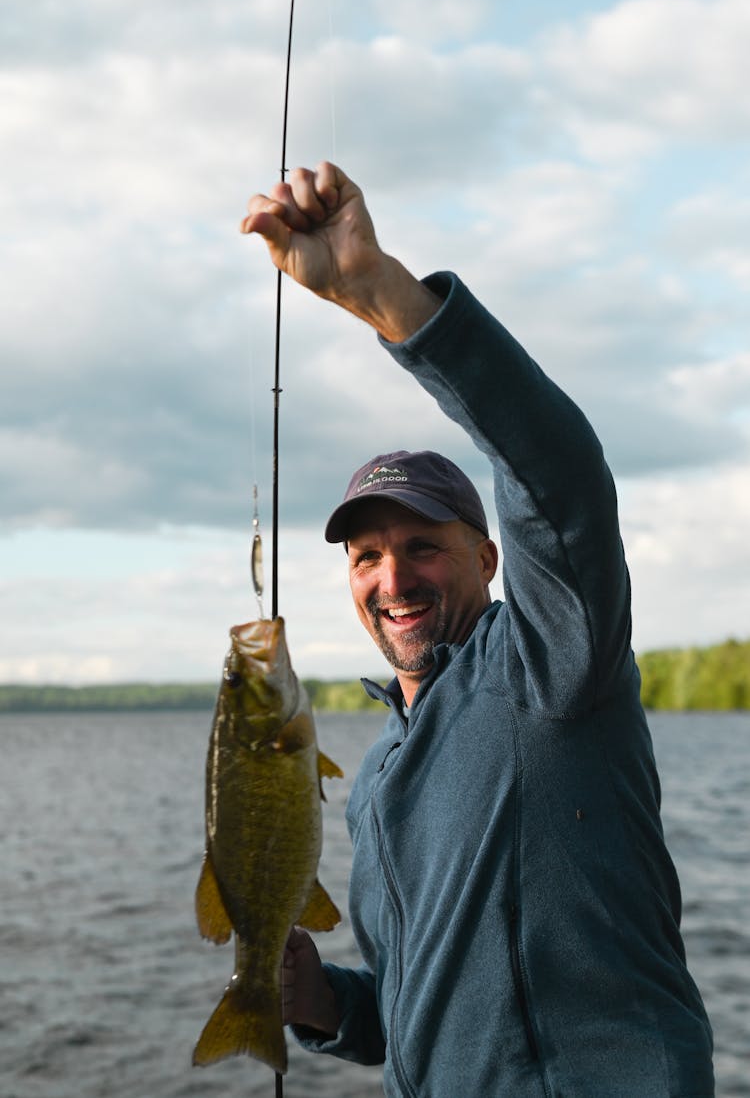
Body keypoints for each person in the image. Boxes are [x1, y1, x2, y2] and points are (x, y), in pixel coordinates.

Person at [241, 162, 715, 1096]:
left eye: (423, 545)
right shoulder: (374, 776)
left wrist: (383, 293)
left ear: (489, 559)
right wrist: (322, 1003)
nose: (393, 578)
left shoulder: (552, 665)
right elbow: (414, 1008)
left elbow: (561, 476)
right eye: (366, 558)